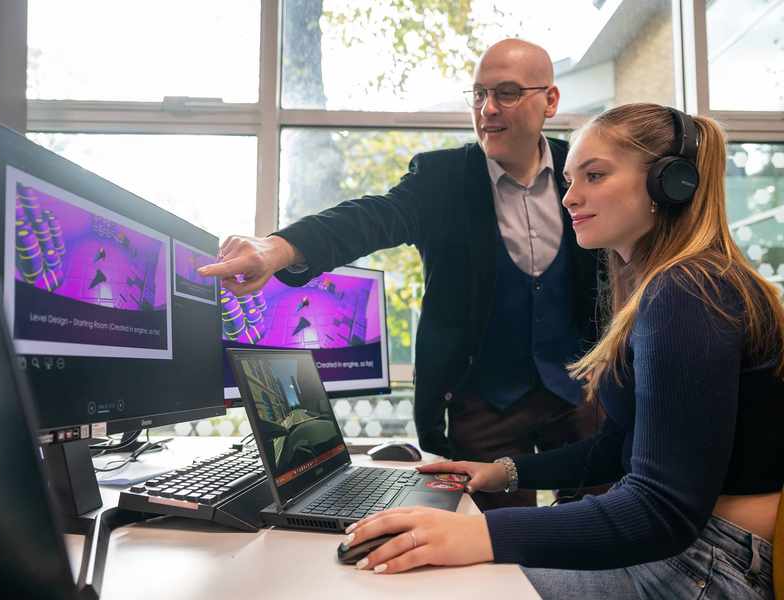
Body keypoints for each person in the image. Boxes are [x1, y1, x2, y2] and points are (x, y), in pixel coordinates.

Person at [335, 104, 784, 599]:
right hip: (696, 549)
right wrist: (505, 472)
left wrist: (480, 534)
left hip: (707, 564)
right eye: (570, 180)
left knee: (446, 585)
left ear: (669, 183)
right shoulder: (672, 285)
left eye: (595, 176)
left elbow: (662, 510)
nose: (571, 198)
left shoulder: (688, 292)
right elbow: (623, 448)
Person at [200, 39, 603, 509]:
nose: (487, 109)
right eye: (478, 94)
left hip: (579, 391)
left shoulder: (582, 173)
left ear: (550, 101)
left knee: (599, 529)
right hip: (482, 403)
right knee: (489, 546)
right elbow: (371, 218)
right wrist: (277, 248)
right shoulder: (442, 179)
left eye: (507, 93)